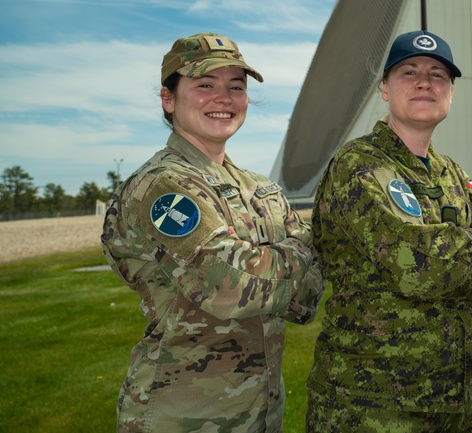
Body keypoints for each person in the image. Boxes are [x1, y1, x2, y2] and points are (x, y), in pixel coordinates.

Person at [102, 32, 325, 432]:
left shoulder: (258, 188)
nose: (224, 98)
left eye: (235, 87)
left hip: (260, 410)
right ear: (168, 99)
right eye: (205, 85)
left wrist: (271, 265)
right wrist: (304, 248)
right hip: (184, 415)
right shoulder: (163, 186)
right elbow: (231, 286)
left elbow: (306, 300)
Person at [305, 30, 472, 433]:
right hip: (372, 402)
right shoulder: (359, 163)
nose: (424, 82)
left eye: (438, 75)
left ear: (450, 92)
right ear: (384, 88)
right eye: (408, 71)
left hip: (454, 394)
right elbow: (419, 266)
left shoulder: (450, 172)